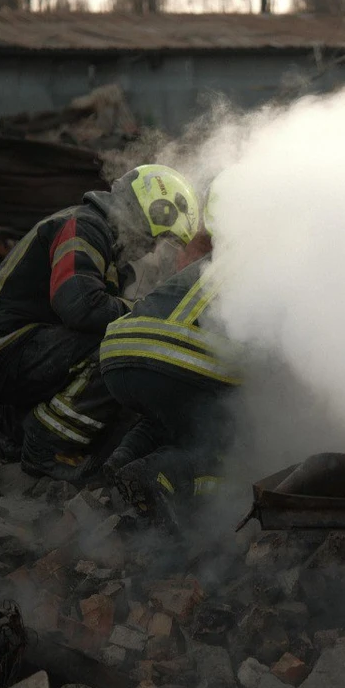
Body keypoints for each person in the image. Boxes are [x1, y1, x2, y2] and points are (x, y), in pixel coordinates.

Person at [0, 164, 200, 482]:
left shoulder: (104, 244)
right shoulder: (85, 226)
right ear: (141, 213)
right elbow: (80, 306)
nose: (150, 248)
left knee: (118, 356)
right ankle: (45, 447)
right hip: (4, 348)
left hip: (15, 347)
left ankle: (11, 423)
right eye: (153, 237)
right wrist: (139, 314)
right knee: (117, 349)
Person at [98, 194, 242, 531]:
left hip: (119, 349)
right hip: (172, 352)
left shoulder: (219, 261)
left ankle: (121, 462)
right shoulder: (273, 272)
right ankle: (157, 475)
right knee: (225, 446)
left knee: (171, 413)